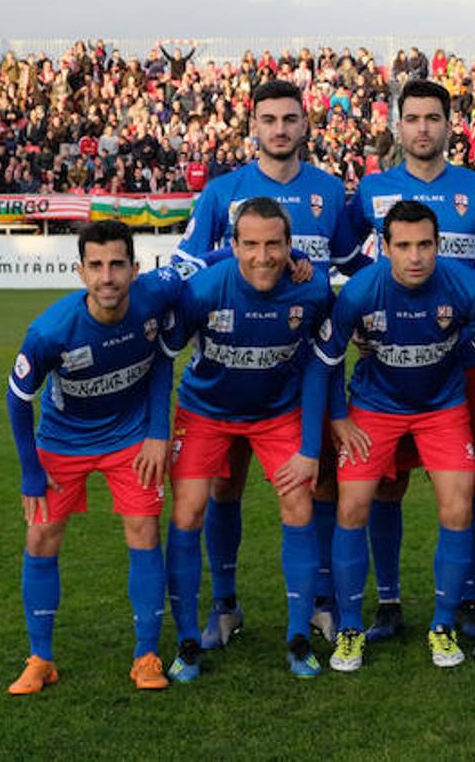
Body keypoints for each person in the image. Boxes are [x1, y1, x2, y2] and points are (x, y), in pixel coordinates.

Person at [173, 79, 353, 653]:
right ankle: (225, 606)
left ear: (305, 125)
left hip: (300, 377)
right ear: (253, 126)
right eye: (268, 119)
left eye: (290, 119)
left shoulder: (329, 190)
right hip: (225, 377)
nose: (279, 129)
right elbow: (191, 267)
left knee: (318, 484)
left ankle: (321, 601)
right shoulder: (223, 192)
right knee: (224, 490)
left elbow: (352, 262)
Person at [340, 78, 475, 643]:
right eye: (412, 118)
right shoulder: (372, 191)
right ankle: (389, 602)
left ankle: (462, 599)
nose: (423, 128)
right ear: (399, 126)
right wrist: (366, 323)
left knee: (462, 490)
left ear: (449, 125)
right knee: (386, 489)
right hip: (391, 365)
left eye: (432, 118)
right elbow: (345, 262)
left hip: (463, 365)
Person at [313, 201, 475, 671]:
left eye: (425, 244)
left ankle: (442, 624)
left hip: (442, 408)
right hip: (375, 408)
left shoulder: (463, 286)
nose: (415, 255)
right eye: (403, 246)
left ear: (439, 245)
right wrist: (339, 417)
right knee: (351, 507)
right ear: (384, 249)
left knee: (459, 505)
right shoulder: (361, 291)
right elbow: (325, 360)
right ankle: (349, 628)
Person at [159, 198, 333, 682]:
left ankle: (298, 636)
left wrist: (312, 447)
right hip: (206, 412)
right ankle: (194, 636)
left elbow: (324, 365)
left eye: (273, 244)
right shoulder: (204, 290)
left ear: (289, 246)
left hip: (278, 413)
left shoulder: (313, 289)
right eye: (250, 244)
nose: (263, 256)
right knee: (189, 510)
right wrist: (157, 434)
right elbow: (162, 361)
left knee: (298, 504)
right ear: (232, 246)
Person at [4, 220, 181, 694]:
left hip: (131, 439)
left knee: (144, 531)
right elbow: (18, 396)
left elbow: (214, 262)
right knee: (41, 537)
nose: (108, 277)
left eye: (117, 265)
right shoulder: (50, 332)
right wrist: (30, 471)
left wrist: (158, 431)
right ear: (80, 272)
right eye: (97, 266)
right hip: (63, 442)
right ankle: (40, 657)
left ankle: (146, 655)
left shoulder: (155, 296)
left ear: (135, 268)